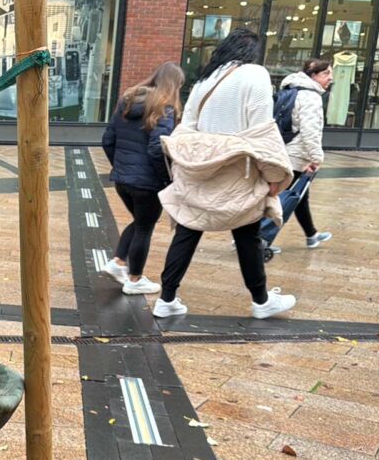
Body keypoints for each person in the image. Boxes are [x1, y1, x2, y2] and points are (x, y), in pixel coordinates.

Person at [154, 28, 296, 320]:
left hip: (201, 169)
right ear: (254, 54)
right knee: (248, 234)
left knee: (188, 229)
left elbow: (187, 127)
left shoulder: (205, 81)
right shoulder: (256, 75)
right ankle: (261, 300)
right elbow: (261, 131)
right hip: (237, 171)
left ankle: (166, 298)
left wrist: (189, 162)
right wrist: (273, 177)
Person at [100, 61, 183, 294]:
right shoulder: (164, 108)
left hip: (123, 181)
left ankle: (118, 263)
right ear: (174, 85)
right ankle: (135, 280)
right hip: (146, 183)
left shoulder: (126, 102)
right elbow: (157, 148)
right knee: (145, 226)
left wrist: (121, 166)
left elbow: (107, 140)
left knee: (139, 222)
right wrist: (164, 179)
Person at [272, 57, 333, 254]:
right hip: (296, 155)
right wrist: (317, 157)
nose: (330, 78)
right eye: (325, 73)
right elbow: (310, 131)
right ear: (313, 76)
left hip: (285, 150)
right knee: (281, 199)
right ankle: (258, 238)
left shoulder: (290, 90)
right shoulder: (310, 97)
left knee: (298, 196)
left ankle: (311, 235)